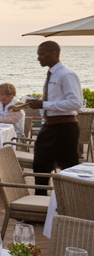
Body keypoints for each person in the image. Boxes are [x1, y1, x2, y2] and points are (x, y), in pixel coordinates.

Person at [25, 41, 83, 195]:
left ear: (54, 53)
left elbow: (75, 103)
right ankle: (40, 206)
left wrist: (44, 104)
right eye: (38, 54)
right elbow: (53, 102)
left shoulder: (66, 75)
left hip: (64, 128)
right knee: (40, 166)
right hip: (49, 127)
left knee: (69, 169)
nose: (39, 58)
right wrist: (40, 104)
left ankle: (74, 205)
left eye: (42, 54)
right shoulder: (53, 74)